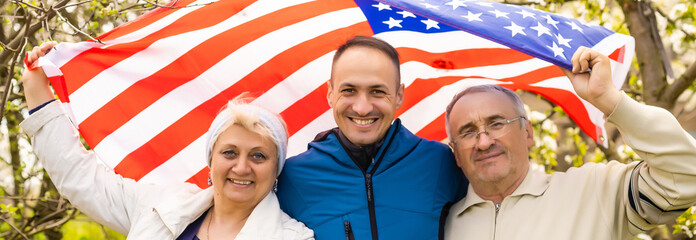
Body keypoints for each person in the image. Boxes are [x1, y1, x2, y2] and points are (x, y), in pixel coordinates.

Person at [21, 42, 314, 239]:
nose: (241, 166)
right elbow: (82, 179)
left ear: (276, 168)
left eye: (258, 156)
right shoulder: (160, 208)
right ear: (211, 160)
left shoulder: (294, 237)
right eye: (229, 152)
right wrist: (36, 89)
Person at [443, 46, 696, 239]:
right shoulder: (441, 225)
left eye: (497, 124)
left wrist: (609, 99)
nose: (484, 142)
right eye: (467, 132)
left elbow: (687, 175)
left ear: (527, 133)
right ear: (455, 152)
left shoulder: (596, 191)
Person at [276, 36, 467, 240]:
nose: (362, 108)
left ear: (399, 95)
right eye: (349, 91)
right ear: (330, 93)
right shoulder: (293, 177)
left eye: (377, 91)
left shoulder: (440, 162)